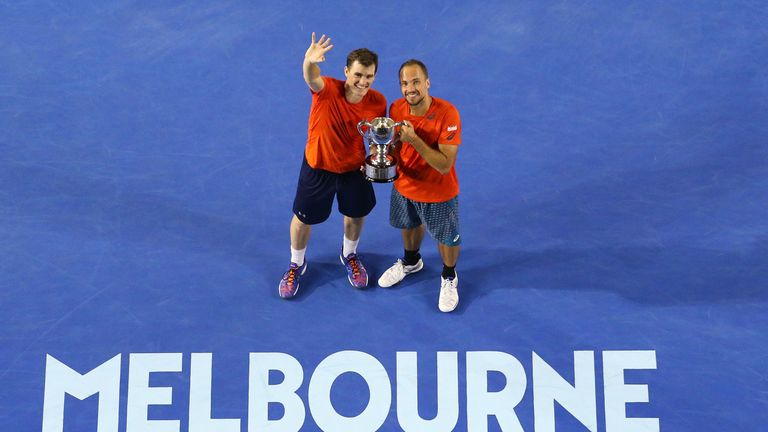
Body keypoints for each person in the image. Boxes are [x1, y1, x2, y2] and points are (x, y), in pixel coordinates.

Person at [279, 33, 387, 299]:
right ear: (346, 71)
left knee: (355, 214)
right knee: (303, 220)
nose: (363, 82)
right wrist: (308, 60)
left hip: (353, 169)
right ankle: (296, 263)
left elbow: (375, 137)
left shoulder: (377, 102)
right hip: (319, 167)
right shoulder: (326, 89)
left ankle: (349, 255)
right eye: (358, 75)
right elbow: (311, 76)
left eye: (369, 76)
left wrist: (375, 155)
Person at [378, 59, 462, 312]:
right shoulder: (396, 108)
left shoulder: (448, 113)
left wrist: (414, 139)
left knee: (447, 237)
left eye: (415, 82)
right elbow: (395, 144)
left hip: (439, 192)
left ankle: (449, 276)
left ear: (427, 83)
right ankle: (411, 262)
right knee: (409, 224)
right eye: (404, 83)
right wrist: (381, 153)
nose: (410, 88)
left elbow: (445, 164)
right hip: (405, 186)